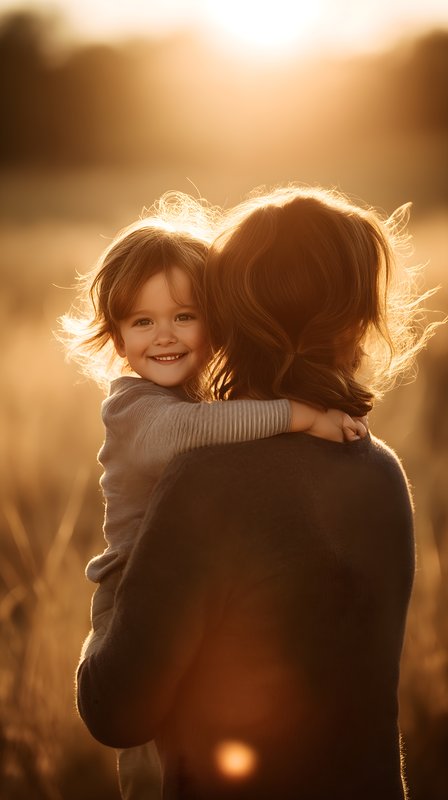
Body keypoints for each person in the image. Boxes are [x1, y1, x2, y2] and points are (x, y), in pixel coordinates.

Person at [76, 185, 432, 800]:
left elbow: (115, 712)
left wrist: (97, 643)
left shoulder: (209, 481)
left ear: (226, 315)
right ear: (355, 321)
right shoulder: (377, 469)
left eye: (186, 314)